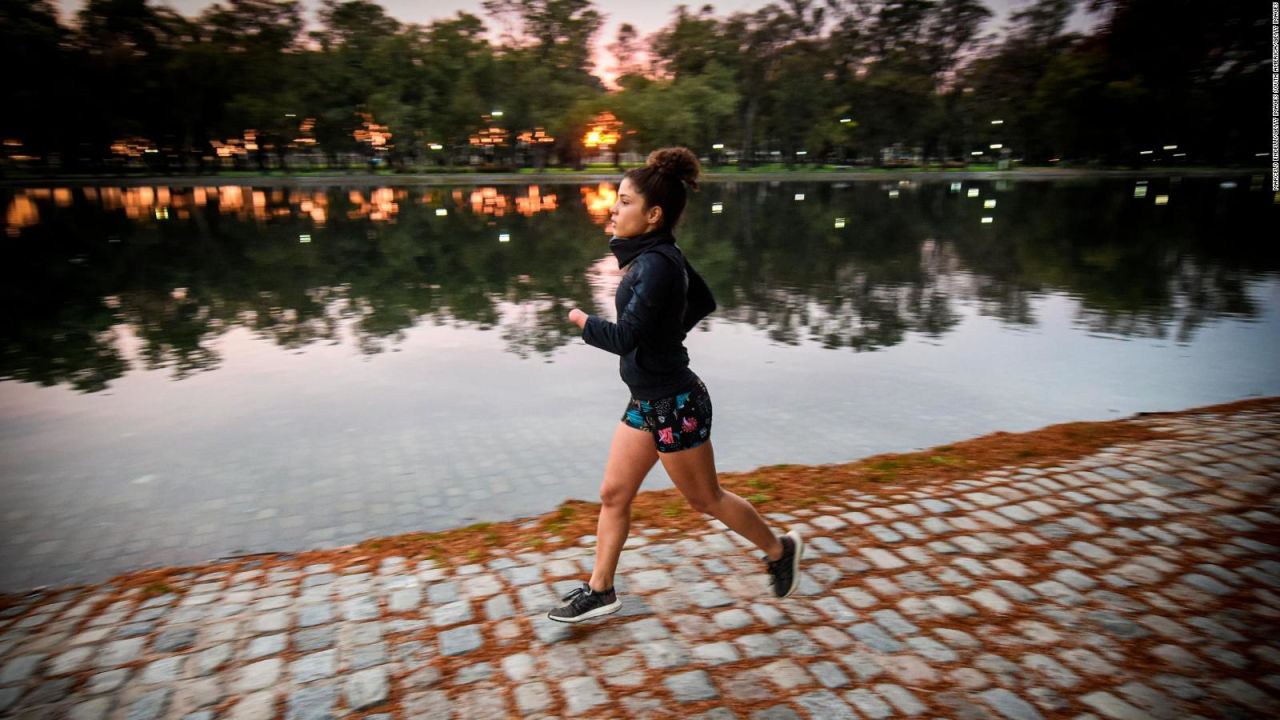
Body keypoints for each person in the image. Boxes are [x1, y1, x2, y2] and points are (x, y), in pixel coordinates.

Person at [548, 147, 803, 624]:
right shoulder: (656, 256)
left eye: (624, 201)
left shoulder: (657, 264)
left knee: (706, 499)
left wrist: (582, 320)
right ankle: (600, 589)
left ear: (653, 214)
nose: (614, 208)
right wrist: (667, 335)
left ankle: (778, 548)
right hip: (648, 400)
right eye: (617, 199)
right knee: (613, 493)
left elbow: (625, 337)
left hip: (675, 403)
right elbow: (702, 300)